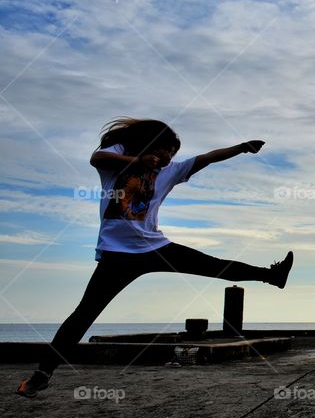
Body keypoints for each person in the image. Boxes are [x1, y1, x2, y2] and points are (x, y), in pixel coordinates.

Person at [16, 118, 294, 398]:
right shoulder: (118, 159)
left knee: (213, 265)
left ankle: (272, 276)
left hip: (155, 247)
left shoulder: (171, 171)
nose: (169, 157)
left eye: (173, 153)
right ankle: (41, 375)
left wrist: (241, 148)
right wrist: (137, 160)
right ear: (151, 144)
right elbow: (95, 157)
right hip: (117, 255)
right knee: (84, 314)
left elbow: (208, 158)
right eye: (166, 150)